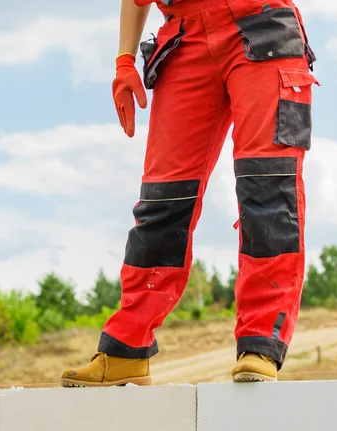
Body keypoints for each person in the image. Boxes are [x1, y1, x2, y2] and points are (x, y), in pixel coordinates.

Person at [60, 0, 319, 387]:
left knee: (266, 186)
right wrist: (124, 62)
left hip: (260, 25)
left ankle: (260, 343)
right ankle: (126, 350)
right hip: (184, 37)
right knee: (162, 200)